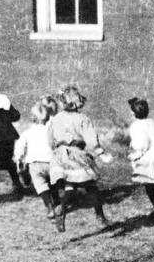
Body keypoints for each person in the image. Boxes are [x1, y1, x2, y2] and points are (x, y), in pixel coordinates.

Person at [47, 85, 114, 232]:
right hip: (77, 154)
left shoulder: (56, 118)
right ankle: (100, 216)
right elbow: (91, 140)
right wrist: (99, 152)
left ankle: (61, 212)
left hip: (60, 156)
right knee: (91, 187)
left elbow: (50, 139)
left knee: (67, 187)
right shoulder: (83, 119)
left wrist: (55, 150)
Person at [14, 98, 59, 219]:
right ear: (48, 117)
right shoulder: (52, 131)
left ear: (32, 118)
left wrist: (18, 160)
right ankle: (57, 202)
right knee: (53, 183)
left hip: (35, 164)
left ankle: (50, 207)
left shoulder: (28, 132)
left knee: (41, 185)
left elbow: (19, 147)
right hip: (52, 162)